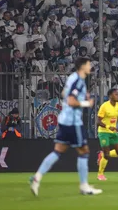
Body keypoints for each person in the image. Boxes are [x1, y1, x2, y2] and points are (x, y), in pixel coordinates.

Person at [29, 57, 102, 196]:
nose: (90, 67)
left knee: (57, 151)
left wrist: (81, 96)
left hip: (64, 120)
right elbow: (70, 100)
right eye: (88, 65)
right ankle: (84, 185)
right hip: (73, 122)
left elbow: (64, 94)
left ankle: (37, 178)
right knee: (84, 152)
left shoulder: (72, 77)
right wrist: (87, 103)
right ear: (82, 66)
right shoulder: (78, 81)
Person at [96, 89, 118, 181]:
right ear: (110, 96)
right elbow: (98, 121)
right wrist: (109, 126)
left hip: (113, 132)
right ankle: (100, 174)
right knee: (107, 155)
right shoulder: (104, 106)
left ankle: (102, 154)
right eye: (116, 94)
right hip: (104, 132)